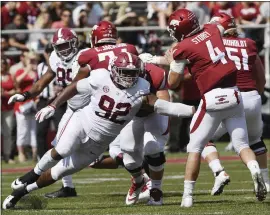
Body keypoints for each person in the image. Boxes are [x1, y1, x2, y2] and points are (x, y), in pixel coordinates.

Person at [2, 52, 195, 209]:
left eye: (132, 73)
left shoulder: (142, 88)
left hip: (99, 142)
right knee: (63, 149)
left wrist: (193, 110)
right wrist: (52, 106)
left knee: (61, 171)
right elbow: (74, 87)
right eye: (124, 72)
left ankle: (20, 192)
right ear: (114, 70)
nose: (128, 77)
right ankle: (30, 175)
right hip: (83, 122)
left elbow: (163, 106)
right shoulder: (101, 77)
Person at [166, 8, 266, 207]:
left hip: (212, 97)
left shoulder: (181, 47)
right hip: (235, 94)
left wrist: (171, 63)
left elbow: (173, 83)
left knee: (194, 146)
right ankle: (254, 168)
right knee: (242, 144)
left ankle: (187, 197)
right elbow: (223, 24)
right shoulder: (212, 29)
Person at [8, 27, 81, 197]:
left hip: (92, 105)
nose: (63, 50)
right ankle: (67, 186)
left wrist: (53, 105)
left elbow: (76, 85)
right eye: (59, 47)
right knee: (59, 146)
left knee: (108, 154)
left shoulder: (84, 56)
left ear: (75, 42)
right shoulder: (55, 58)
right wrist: (25, 95)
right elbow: (42, 82)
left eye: (66, 45)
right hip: (72, 105)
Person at [201, 13, 269, 194]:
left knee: (203, 139)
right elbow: (260, 78)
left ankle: (219, 172)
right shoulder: (249, 43)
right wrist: (256, 94)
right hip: (252, 96)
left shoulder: (215, 45)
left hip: (229, 96)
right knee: (255, 140)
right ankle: (266, 180)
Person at [35, 43, 67, 160]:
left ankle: (61, 155)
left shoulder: (61, 65)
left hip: (57, 101)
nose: (49, 55)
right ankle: (41, 158)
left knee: (61, 129)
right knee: (40, 131)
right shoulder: (40, 67)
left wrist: (61, 89)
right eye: (47, 52)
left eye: (51, 52)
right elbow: (37, 83)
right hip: (43, 101)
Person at [13, 51, 39, 162]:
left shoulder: (37, 72)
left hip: (33, 104)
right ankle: (21, 153)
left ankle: (34, 153)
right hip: (21, 106)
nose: (32, 62)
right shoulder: (20, 71)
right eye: (30, 59)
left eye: (34, 60)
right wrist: (27, 69)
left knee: (34, 130)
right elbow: (17, 81)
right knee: (22, 131)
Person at [1, 57, 18, 163]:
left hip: (8, 108)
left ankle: (7, 156)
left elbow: (17, 90)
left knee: (8, 133)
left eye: (3, 63)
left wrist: (6, 93)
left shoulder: (11, 76)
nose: (1, 65)